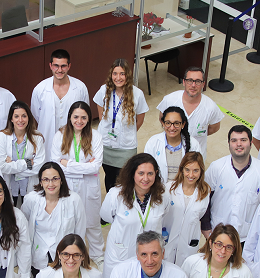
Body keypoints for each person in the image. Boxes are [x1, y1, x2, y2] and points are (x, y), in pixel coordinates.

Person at [100, 153, 169, 278]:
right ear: (132, 173)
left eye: (150, 174)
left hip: (149, 256)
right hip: (121, 254)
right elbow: (106, 216)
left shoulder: (163, 195)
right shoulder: (116, 194)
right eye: (141, 173)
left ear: (156, 174)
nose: (145, 178)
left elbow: (164, 215)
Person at [51, 102, 104, 266]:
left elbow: (95, 166)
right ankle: (71, 255)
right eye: (76, 117)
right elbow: (56, 165)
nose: (79, 121)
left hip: (89, 186)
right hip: (67, 185)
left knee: (92, 223)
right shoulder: (60, 135)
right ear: (69, 117)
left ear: (88, 119)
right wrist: (84, 167)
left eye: (83, 117)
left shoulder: (96, 136)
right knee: (68, 222)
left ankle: (97, 255)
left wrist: (67, 164)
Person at [202, 125, 260, 243]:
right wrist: (205, 227)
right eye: (234, 140)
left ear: (251, 143)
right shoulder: (216, 167)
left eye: (243, 140)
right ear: (229, 144)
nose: (239, 144)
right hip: (217, 233)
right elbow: (205, 198)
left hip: (247, 238)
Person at [21, 162, 86, 278]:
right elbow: (23, 225)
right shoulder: (32, 199)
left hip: (66, 257)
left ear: (61, 180)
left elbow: (80, 231)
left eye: (55, 179)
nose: (51, 184)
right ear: (41, 182)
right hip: (39, 254)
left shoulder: (74, 200)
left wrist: (79, 257)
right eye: (46, 179)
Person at [93, 58, 148, 192]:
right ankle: (111, 201)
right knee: (110, 177)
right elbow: (101, 116)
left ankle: (123, 203)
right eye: (115, 73)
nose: (118, 78)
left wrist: (128, 132)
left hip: (126, 147)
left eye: (122, 74)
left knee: (124, 179)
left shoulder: (137, 94)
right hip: (106, 144)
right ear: (111, 75)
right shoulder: (104, 90)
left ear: (127, 75)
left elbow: (140, 120)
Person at [31, 49, 90, 160]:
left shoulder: (80, 88)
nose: (59, 70)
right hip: (47, 141)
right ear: (50, 65)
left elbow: (85, 114)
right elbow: (36, 114)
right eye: (56, 66)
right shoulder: (40, 89)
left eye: (63, 66)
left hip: (73, 140)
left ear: (69, 66)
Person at [156, 67, 223, 155]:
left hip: (196, 155)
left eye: (198, 81)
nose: (193, 85)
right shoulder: (169, 100)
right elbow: (162, 118)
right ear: (184, 82)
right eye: (190, 80)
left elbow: (214, 127)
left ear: (203, 84)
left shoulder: (211, 107)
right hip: (170, 153)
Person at [161, 152, 211, 266]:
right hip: (167, 241)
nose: (191, 175)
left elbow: (201, 215)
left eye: (195, 170)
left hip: (188, 244)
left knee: (185, 271)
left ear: (201, 171)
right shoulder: (169, 188)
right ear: (182, 169)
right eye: (187, 170)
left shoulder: (205, 192)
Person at [0, 101, 45, 206]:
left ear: (29, 118)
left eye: (24, 116)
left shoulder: (37, 138)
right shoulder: (2, 137)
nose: (20, 120)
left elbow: (38, 168)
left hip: (29, 187)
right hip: (9, 186)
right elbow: (1, 166)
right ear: (11, 119)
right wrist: (27, 163)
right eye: (16, 116)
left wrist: (12, 166)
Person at [145, 106, 193, 184]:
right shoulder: (153, 142)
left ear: (183, 124)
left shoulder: (193, 144)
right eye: (168, 123)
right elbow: (146, 169)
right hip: (159, 188)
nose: (172, 128)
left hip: (184, 188)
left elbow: (197, 171)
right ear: (163, 123)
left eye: (176, 123)